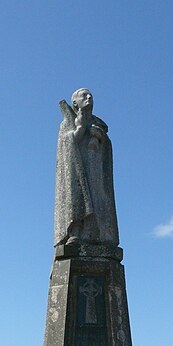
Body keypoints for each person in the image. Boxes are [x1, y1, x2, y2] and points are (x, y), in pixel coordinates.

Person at [54, 88, 119, 247]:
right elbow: (66, 146)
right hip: (77, 169)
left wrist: (100, 136)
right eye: (84, 95)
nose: (89, 97)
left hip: (95, 169)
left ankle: (100, 236)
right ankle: (75, 232)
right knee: (78, 197)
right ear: (75, 102)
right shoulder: (67, 123)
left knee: (98, 200)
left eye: (91, 95)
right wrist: (80, 128)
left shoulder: (98, 123)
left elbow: (107, 149)